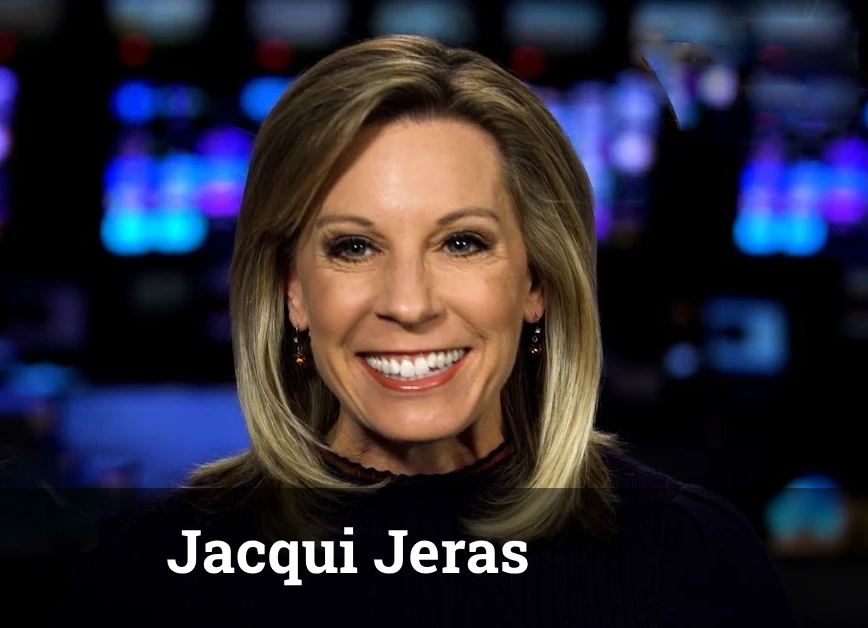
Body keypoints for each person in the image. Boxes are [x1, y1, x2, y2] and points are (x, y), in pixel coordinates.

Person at [60, 35, 799, 627]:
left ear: (537, 281)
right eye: (353, 247)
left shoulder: (688, 561)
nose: (409, 304)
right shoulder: (151, 575)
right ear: (293, 291)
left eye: (462, 243)